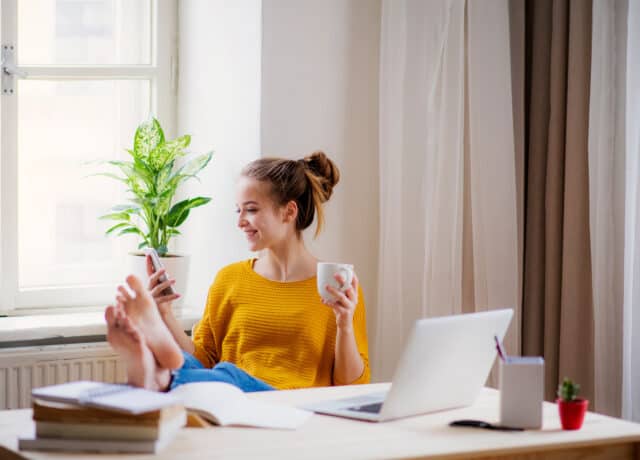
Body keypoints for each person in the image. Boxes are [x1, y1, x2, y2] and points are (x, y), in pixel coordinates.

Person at [105, 151, 370, 392]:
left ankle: (161, 376)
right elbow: (202, 361)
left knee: (229, 374)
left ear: (289, 212)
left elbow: (351, 384)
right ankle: (159, 368)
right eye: (239, 210)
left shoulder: (336, 288)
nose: (240, 221)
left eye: (251, 210)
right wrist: (166, 315)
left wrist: (344, 324)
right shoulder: (229, 279)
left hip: (287, 403)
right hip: (230, 398)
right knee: (200, 367)